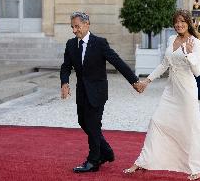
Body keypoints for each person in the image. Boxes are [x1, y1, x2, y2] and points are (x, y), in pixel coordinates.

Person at [123, 9, 200, 181]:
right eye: (176, 21)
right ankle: (143, 161)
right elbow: (164, 64)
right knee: (156, 121)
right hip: (171, 89)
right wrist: (147, 81)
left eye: (182, 21)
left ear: (188, 22)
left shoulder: (194, 42)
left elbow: (198, 72)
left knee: (190, 128)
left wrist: (189, 54)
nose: (179, 24)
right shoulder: (171, 39)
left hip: (187, 90)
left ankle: (197, 167)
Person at [60, 12, 142, 173]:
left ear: (87, 24)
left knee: (93, 124)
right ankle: (106, 152)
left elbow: (117, 62)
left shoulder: (99, 43)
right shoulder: (71, 44)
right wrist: (64, 82)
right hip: (81, 92)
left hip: (97, 92)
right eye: (72, 27)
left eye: (77, 26)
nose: (74, 30)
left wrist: (134, 81)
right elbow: (66, 66)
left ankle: (93, 161)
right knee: (83, 122)